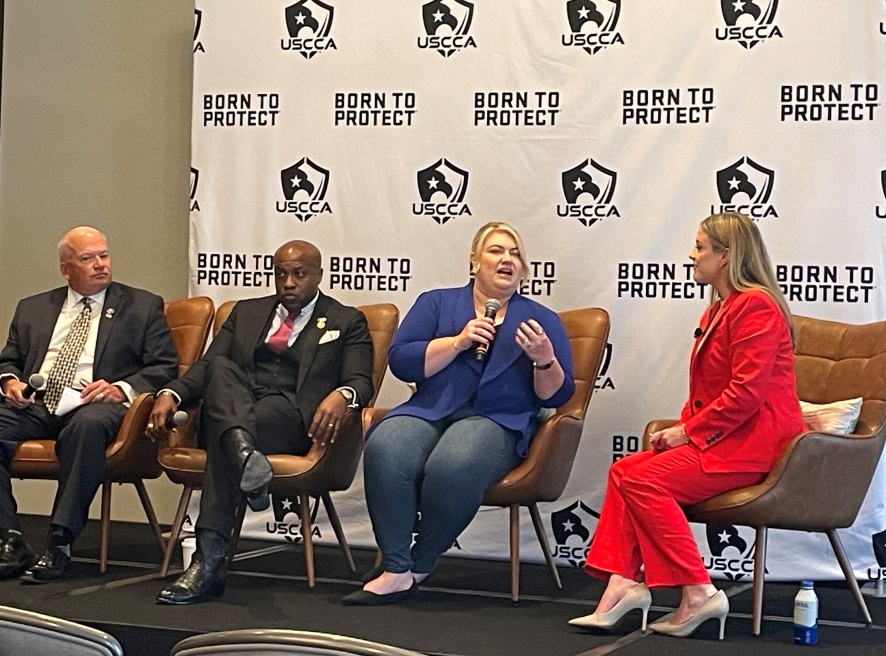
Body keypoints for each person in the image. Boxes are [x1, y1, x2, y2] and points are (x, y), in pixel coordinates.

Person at [569, 213, 805, 640]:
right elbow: (709, 392)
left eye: (700, 247)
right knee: (625, 471)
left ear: (726, 256)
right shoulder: (720, 307)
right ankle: (623, 582)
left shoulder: (757, 307)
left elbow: (746, 394)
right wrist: (681, 430)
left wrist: (687, 432)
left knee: (644, 482)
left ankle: (698, 591)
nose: (692, 255)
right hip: (726, 439)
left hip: (756, 445)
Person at [343, 221, 575, 606]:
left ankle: (421, 561)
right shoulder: (436, 302)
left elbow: (560, 394)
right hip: (430, 409)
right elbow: (402, 361)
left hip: (498, 420)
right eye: (496, 251)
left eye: (515, 253)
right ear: (474, 261)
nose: (507, 259)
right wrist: (457, 342)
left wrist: (544, 361)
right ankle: (396, 568)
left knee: (454, 462)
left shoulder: (541, 319)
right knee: (386, 444)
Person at [150, 239, 373, 605]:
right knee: (221, 370)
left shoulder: (346, 320)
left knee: (228, 434)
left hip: (290, 419)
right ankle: (244, 456)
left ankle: (208, 562)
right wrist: (171, 393)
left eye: (299, 274)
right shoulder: (246, 313)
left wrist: (343, 395)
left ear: (318, 274)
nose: (288, 282)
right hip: (236, 406)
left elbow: (361, 380)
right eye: (281, 274)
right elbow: (207, 367)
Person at [0, 226, 178, 583]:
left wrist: (121, 388)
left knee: (87, 427)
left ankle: (60, 542)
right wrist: (11, 382)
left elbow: (164, 365)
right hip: (37, 403)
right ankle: (9, 538)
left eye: (104, 255)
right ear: (66, 269)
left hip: (95, 402)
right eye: (88, 258)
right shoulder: (33, 307)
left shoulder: (141, 305)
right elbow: (10, 359)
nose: (100, 264)